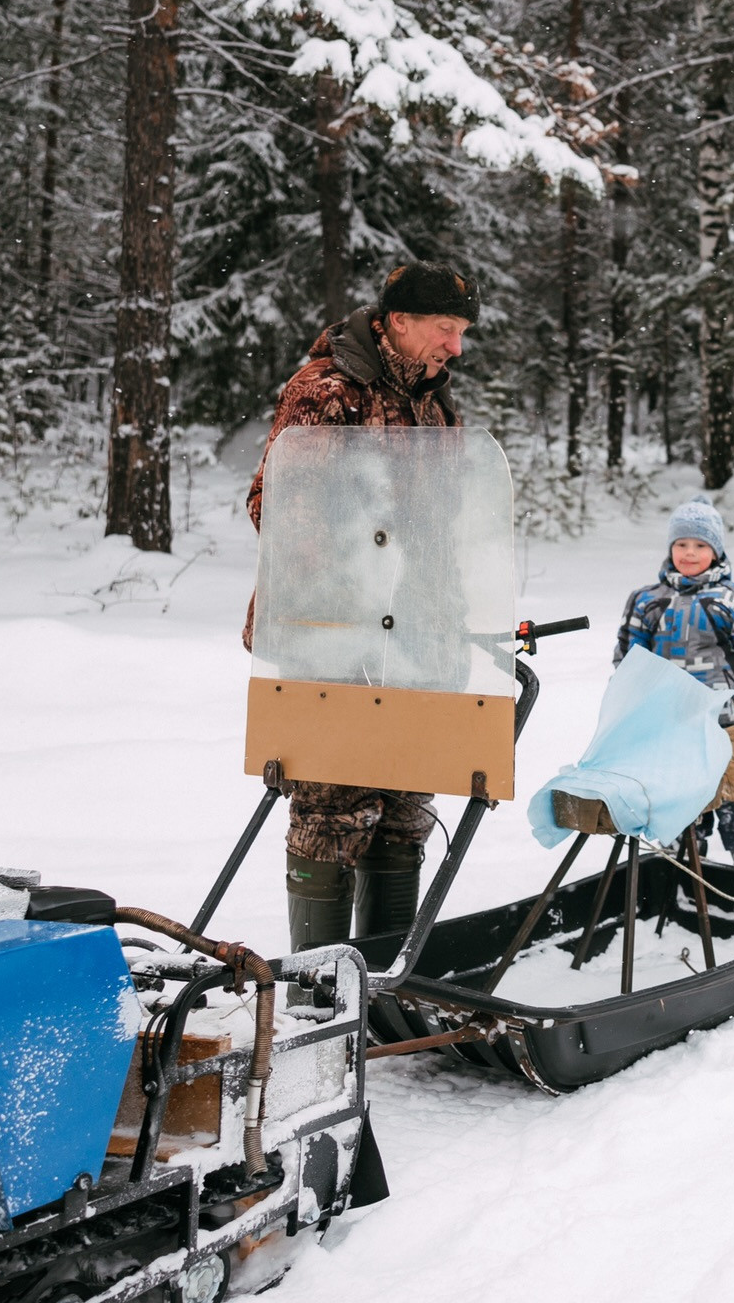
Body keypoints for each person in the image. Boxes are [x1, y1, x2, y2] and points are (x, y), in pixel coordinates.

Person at [243, 260, 478, 951]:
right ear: (397, 321)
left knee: (405, 799)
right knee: (332, 805)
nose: (455, 348)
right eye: (445, 329)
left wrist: (453, 617)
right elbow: (275, 506)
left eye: (462, 333)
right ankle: (321, 992)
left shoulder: (433, 404)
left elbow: (446, 527)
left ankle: (381, 984)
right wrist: (359, 576)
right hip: (331, 634)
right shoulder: (325, 391)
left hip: (417, 637)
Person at [615, 497, 734, 865]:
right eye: (681, 544)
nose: (689, 553)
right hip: (670, 726)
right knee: (678, 803)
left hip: (726, 725)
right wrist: (631, 710)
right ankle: (683, 871)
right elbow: (629, 662)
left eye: (700, 545)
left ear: (716, 550)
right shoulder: (647, 601)